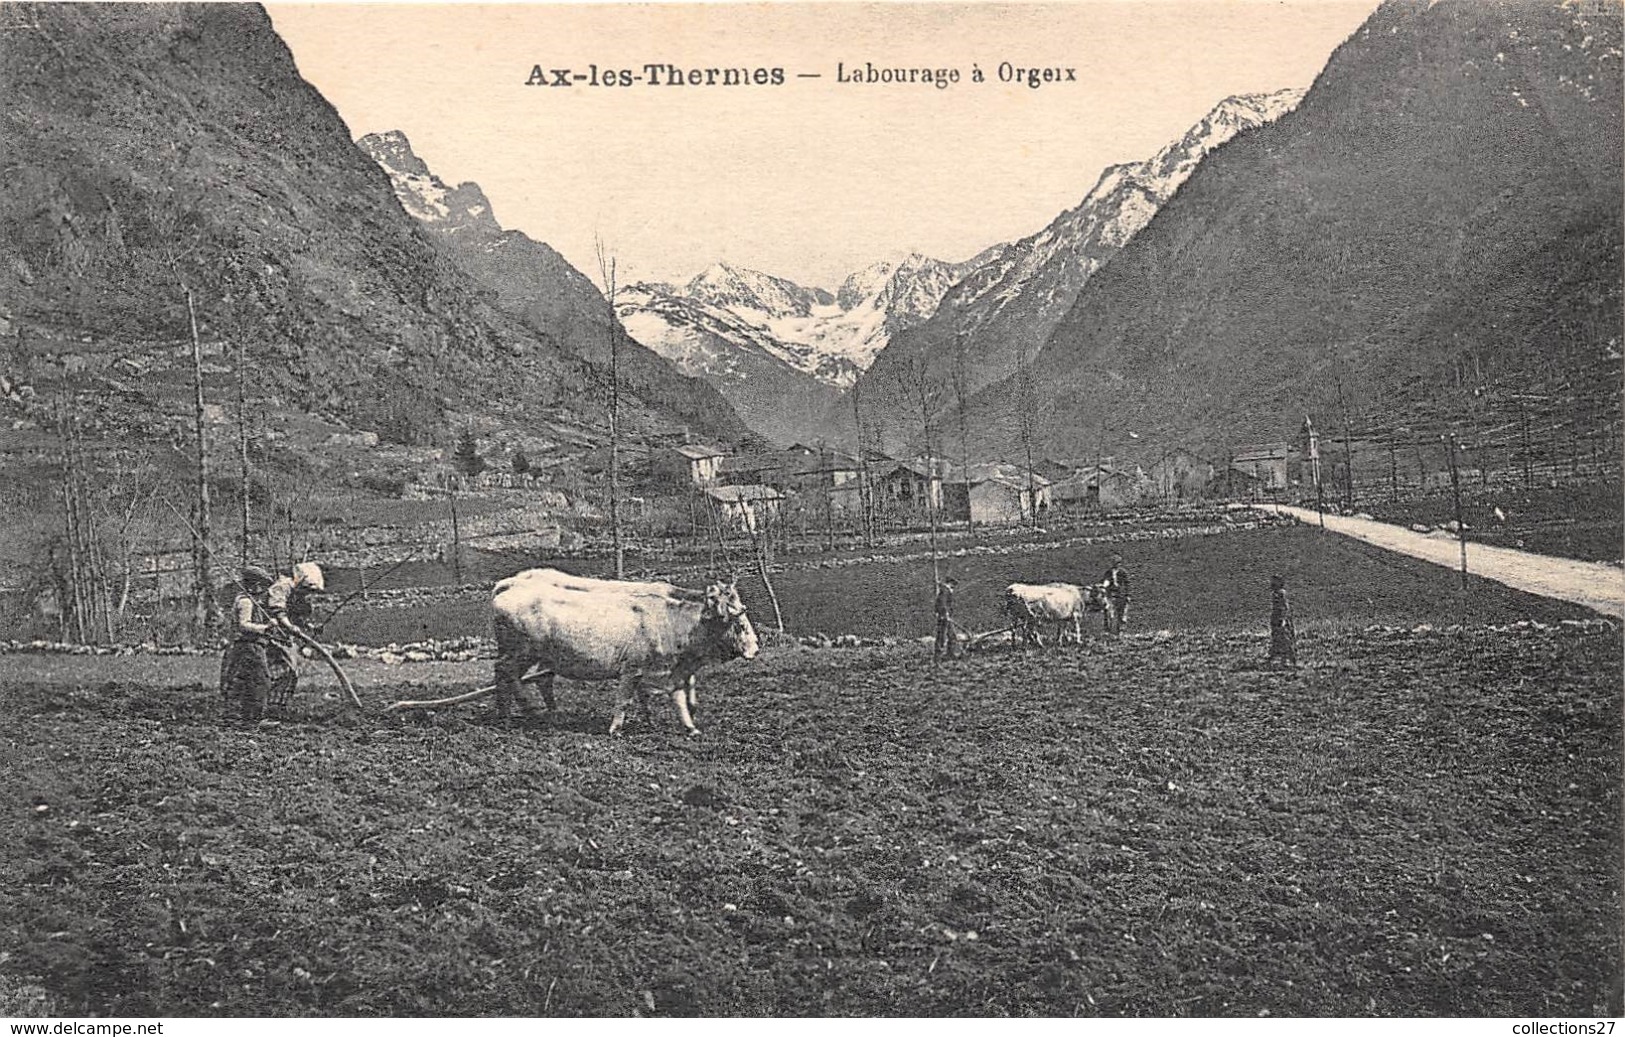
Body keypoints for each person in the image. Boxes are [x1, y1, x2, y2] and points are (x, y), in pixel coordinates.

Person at [264, 562, 327, 711]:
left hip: (284, 637)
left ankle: (280, 704)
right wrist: (290, 627)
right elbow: (278, 612)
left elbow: (296, 617)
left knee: (292, 672)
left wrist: (310, 628)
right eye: (306, 589)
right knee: (283, 670)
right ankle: (271, 705)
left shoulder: (297, 594)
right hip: (271, 635)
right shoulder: (282, 587)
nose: (307, 593)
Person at [220, 565, 279, 721]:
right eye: (261, 585)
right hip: (249, 646)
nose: (262, 590)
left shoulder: (252, 601)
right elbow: (244, 625)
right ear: (254, 584)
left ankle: (245, 716)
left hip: (249, 645)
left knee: (246, 681)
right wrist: (265, 628)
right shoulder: (246, 602)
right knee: (261, 680)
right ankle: (254, 718)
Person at [1268, 574, 1298, 669]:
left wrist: (1284, 619)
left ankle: (1289, 660)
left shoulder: (1281, 593)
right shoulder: (1274, 594)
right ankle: (1280, 660)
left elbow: (1284, 607)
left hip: (1282, 619)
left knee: (1285, 639)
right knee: (1277, 638)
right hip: (1276, 618)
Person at [934, 575, 962, 661]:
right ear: (949, 583)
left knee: (951, 635)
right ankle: (939, 656)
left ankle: (949, 653)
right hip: (944, 618)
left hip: (945, 617)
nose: (953, 587)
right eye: (953, 585)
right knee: (942, 636)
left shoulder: (944, 591)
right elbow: (942, 604)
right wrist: (945, 613)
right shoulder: (945, 591)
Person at [1102, 553, 1130, 634]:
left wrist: (1127, 595)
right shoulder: (1108, 573)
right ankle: (1108, 630)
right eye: (1114, 563)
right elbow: (1105, 581)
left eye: (1117, 563)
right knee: (1109, 612)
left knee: (1122, 613)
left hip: (1121, 595)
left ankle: (1120, 630)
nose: (1116, 565)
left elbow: (1127, 584)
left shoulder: (1123, 572)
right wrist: (1105, 585)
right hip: (1110, 595)